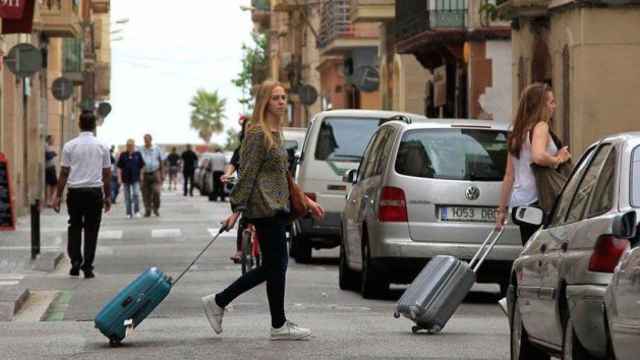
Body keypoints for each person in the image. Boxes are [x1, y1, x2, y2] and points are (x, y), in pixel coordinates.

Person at [201, 80, 325, 341]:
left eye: (283, 98)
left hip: (278, 206)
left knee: (274, 266)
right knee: (275, 266)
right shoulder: (257, 133)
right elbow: (246, 174)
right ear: (265, 102)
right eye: (276, 98)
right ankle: (223, 303)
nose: (281, 102)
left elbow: (284, 174)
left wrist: (306, 200)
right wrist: (236, 209)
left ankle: (274, 322)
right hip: (264, 208)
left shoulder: (275, 133)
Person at [496, 83, 572, 245]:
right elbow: (538, 156)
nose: (554, 106)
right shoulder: (541, 126)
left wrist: (501, 210)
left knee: (528, 250)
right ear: (540, 106)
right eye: (551, 102)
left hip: (520, 204)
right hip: (539, 202)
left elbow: (509, 175)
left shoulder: (517, 132)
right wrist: (559, 159)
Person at [52, 111, 111, 279]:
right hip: (94, 192)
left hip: (75, 193)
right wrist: (107, 196)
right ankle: (88, 267)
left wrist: (58, 195)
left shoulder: (70, 146)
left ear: (79, 124)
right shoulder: (102, 146)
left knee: (75, 226)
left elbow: (64, 172)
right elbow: (107, 174)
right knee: (92, 229)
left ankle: (75, 262)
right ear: (93, 125)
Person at [223, 115, 249, 263]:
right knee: (244, 220)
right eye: (248, 127)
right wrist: (227, 175)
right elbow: (232, 165)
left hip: (260, 191)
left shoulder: (262, 147)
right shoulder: (240, 150)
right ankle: (240, 249)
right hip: (243, 188)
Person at [117, 139, 145, 219]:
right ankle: (129, 212)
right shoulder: (123, 154)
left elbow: (142, 166)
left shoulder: (138, 154)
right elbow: (119, 168)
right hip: (125, 179)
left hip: (135, 178)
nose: (130, 147)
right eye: (128, 145)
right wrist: (119, 178)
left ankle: (137, 211)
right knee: (127, 197)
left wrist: (141, 175)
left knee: (136, 194)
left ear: (133, 145)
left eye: (131, 145)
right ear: (126, 146)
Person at [140, 134, 163, 217]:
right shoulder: (140, 149)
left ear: (151, 140)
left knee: (156, 192)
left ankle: (156, 208)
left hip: (155, 173)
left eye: (147, 140)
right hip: (144, 174)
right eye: (145, 140)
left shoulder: (156, 149)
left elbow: (161, 161)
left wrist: (162, 173)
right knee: (145, 194)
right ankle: (148, 210)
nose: (146, 141)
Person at [44, 135, 58, 208]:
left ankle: (50, 200)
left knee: (50, 185)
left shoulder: (49, 146)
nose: (53, 141)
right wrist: (53, 153)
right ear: (48, 139)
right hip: (49, 168)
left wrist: (53, 153)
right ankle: (50, 201)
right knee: (52, 185)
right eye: (52, 139)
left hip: (51, 167)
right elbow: (47, 156)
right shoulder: (46, 146)